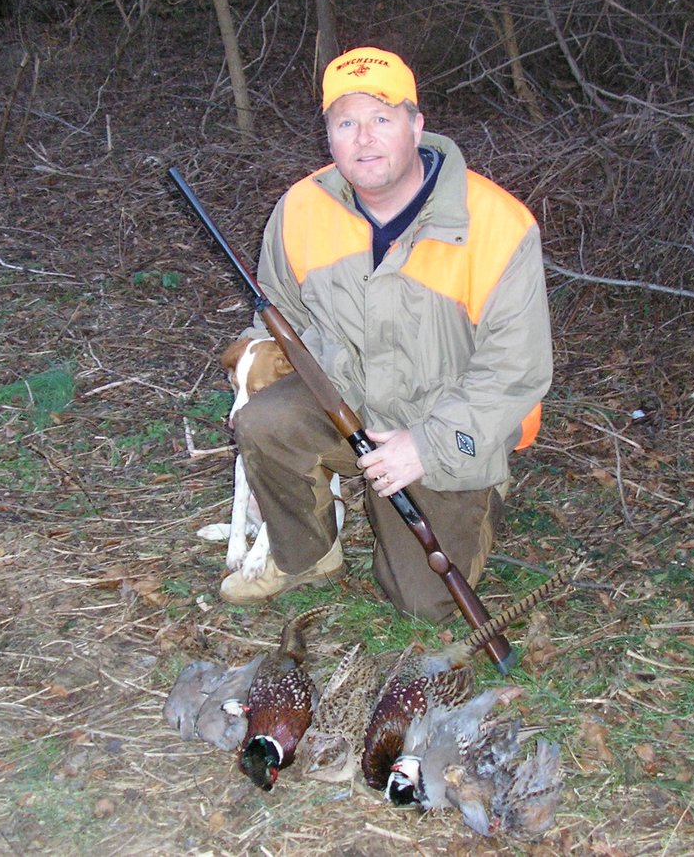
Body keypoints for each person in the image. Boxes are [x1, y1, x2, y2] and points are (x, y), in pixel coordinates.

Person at [223, 46, 553, 621]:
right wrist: (256, 360)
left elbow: (515, 372)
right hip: (347, 405)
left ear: (417, 125)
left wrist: (426, 447)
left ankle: (480, 494)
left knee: (424, 604)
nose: (364, 139)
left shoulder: (498, 224)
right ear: (329, 136)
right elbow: (280, 318)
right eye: (346, 122)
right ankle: (306, 554)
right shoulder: (301, 209)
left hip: (448, 426)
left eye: (382, 118)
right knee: (264, 422)